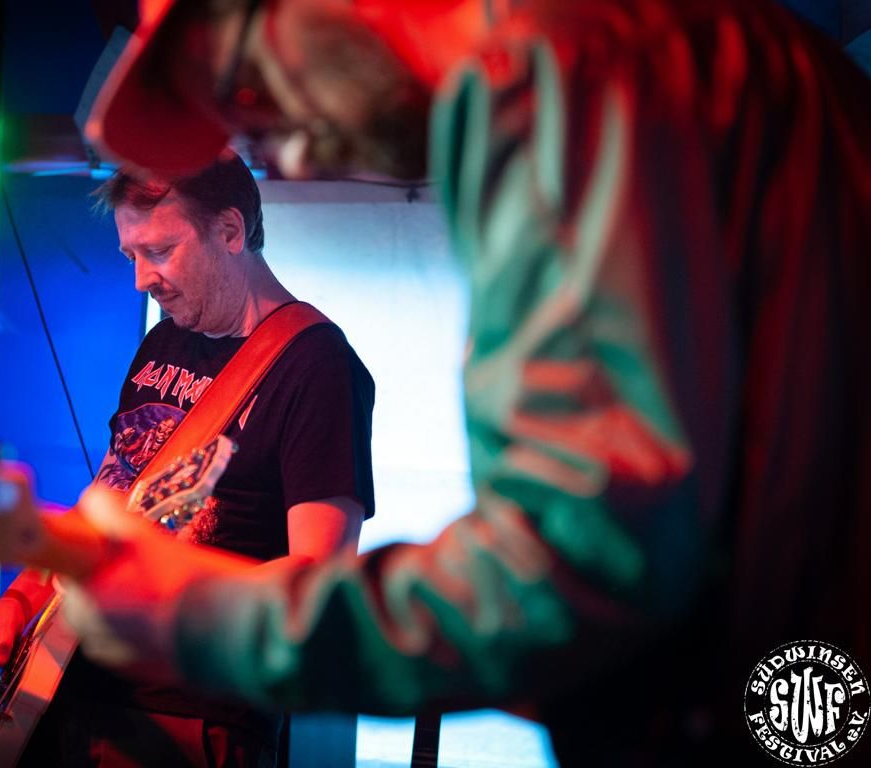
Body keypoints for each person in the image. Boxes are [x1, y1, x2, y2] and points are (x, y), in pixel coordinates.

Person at [60, 0, 871, 765]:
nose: (293, 157)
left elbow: (568, 571)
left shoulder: (564, 67)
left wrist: (199, 616)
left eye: (252, 85)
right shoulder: (748, 59)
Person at [0, 149, 376, 766]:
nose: (141, 280)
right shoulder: (164, 340)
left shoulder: (317, 366)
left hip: (190, 717)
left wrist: (162, 589)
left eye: (159, 251)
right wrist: (21, 601)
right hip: (74, 685)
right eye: (132, 256)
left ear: (229, 231)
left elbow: (318, 582)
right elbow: (111, 494)